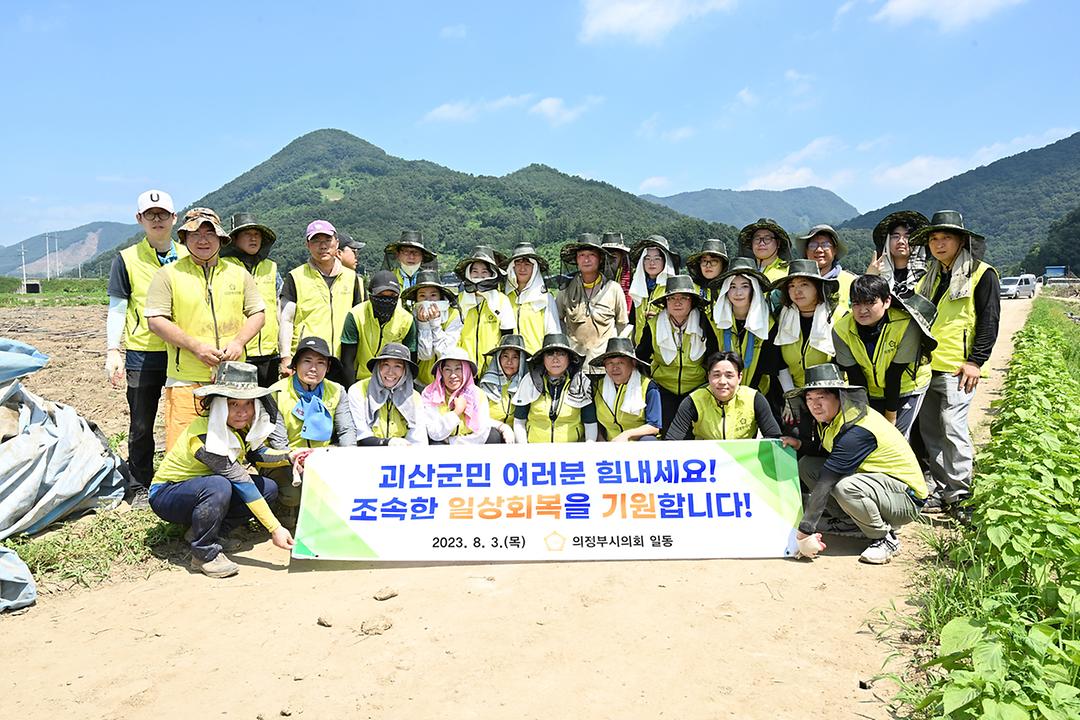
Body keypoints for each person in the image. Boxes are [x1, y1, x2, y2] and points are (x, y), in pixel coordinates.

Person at [149, 361, 294, 579]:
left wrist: (290, 456)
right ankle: (204, 553)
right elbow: (241, 481)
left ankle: (213, 532)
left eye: (247, 404)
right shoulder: (204, 436)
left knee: (268, 488)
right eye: (233, 404)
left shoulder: (241, 428)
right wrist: (275, 528)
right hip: (167, 494)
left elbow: (260, 453)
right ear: (218, 405)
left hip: (206, 489)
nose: (242, 412)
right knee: (220, 485)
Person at [145, 208, 266, 451]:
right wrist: (196, 347)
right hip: (186, 378)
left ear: (221, 239)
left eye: (209, 233)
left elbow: (258, 313)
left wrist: (239, 342)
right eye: (194, 234)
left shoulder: (238, 274)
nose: (203, 240)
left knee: (234, 447)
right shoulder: (169, 274)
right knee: (185, 447)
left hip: (233, 378)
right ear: (184, 239)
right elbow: (155, 320)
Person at [786, 363, 927, 565]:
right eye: (809, 398)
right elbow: (827, 452)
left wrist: (804, 532)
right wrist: (799, 444)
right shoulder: (836, 419)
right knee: (808, 465)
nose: (814, 404)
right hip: (878, 486)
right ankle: (850, 522)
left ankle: (885, 538)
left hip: (907, 499)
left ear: (839, 396)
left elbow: (827, 479)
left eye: (821, 397)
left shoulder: (857, 430)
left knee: (845, 487)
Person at [912, 211, 1000, 519]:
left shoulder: (981, 273)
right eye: (933, 239)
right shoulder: (929, 277)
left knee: (953, 427)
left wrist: (975, 361)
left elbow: (989, 321)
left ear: (961, 240)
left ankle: (962, 493)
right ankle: (945, 489)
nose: (938, 244)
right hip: (926, 367)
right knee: (930, 432)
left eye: (945, 237)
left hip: (958, 368)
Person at [105, 189, 184, 502]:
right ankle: (138, 484)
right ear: (139, 219)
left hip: (182, 352)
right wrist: (113, 350)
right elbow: (117, 307)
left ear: (174, 218)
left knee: (184, 419)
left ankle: (180, 480)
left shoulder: (188, 255)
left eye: (163, 213)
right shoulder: (126, 259)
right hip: (143, 353)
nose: (157, 219)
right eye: (150, 214)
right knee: (141, 423)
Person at [832, 275, 937, 438]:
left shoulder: (906, 324)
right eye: (857, 303)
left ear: (887, 301)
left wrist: (890, 417)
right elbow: (855, 376)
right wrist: (865, 417)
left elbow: (895, 373)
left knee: (896, 437)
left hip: (906, 386)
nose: (862, 310)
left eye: (870, 302)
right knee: (869, 434)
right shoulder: (841, 330)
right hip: (870, 389)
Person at [263, 337, 356, 516]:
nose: (313, 368)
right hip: (286, 459)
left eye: (321, 363)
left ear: (328, 368)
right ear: (296, 364)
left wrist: (348, 459)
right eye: (307, 361)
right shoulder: (275, 392)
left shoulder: (338, 390)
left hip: (322, 456)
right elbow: (278, 441)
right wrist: (296, 460)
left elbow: (346, 430)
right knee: (294, 494)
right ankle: (285, 510)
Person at [278, 220, 364, 378]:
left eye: (327, 240)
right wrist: (286, 357)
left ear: (336, 243)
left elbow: (360, 319)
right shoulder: (296, 277)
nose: (322, 246)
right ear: (307, 245)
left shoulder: (352, 278)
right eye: (316, 241)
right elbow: (286, 320)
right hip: (308, 360)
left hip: (343, 359)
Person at [635, 274, 718, 428]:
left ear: (691, 301)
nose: (677, 302)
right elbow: (641, 357)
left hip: (697, 387)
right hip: (663, 387)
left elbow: (713, 356)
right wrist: (650, 384)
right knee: (666, 432)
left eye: (683, 298)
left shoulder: (704, 324)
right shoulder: (653, 325)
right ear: (665, 302)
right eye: (671, 298)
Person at [665, 351, 790, 442]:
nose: (722, 381)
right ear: (708, 376)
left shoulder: (754, 398)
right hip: (706, 466)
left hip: (744, 464)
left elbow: (774, 438)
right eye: (716, 375)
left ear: (739, 377)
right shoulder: (694, 400)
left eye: (729, 375)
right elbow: (672, 440)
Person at [220, 212, 280, 387]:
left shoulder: (271, 267)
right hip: (238, 351)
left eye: (257, 235)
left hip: (270, 352)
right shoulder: (224, 267)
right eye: (247, 234)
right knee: (240, 408)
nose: (253, 239)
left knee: (269, 407)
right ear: (234, 239)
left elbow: (279, 305)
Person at [556, 233, 630, 366]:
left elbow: (622, 324)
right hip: (575, 364)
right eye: (582, 255)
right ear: (576, 260)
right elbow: (558, 319)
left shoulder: (614, 289)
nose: (586, 259)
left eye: (591, 255)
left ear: (600, 259)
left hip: (605, 364)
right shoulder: (565, 291)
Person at [512, 333, 598, 443]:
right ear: (543, 359)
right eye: (550, 354)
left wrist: (588, 450)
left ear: (569, 358)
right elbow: (519, 421)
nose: (555, 359)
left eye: (561, 354)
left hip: (571, 453)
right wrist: (524, 450)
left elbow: (590, 423)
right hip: (534, 452)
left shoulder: (581, 382)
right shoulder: (529, 381)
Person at [711, 257, 778, 396]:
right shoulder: (714, 321)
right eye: (732, 287)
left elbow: (771, 365)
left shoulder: (769, 323)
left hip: (759, 394)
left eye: (745, 286)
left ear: (754, 289)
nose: (738, 293)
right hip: (721, 391)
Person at [422, 346, 514, 445]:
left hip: (470, 446)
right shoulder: (430, 394)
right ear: (441, 372)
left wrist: (454, 443)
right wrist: (456, 412)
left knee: (493, 436)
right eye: (447, 369)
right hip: (443, 446)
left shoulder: (478, 394)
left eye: (458, 369)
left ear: (466, 371)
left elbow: (482, 432)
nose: (453, 375)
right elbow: (434, 432)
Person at [340, 270, 416, 386]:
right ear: (371, 295)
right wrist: (351, 390)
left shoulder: (407, 320)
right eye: (381, 296)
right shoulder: (356, 316)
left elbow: (411, 359)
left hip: (393, 381)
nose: (386, 300)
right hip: (361, 380)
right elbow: (347, 360)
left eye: (392, 296)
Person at [771, 259, 838, 391]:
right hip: (791, 390)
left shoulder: (837, 318)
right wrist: (790, 397)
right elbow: (778, 361)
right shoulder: (781, 317)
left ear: (818, 287)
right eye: (791, 286)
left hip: (830, 391)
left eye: (804, 284)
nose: (797, 291)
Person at [347, 343, 428, 446]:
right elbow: (361, 434)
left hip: (402, 455)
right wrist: (388, 442)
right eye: (385, 365)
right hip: (366, 453)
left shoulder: (414, 397)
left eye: (397, 366)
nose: (390, 372)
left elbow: (418, 440)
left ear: (405, 370)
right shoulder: (357, 390)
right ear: (378, 367)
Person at [456, 246, 516, 373]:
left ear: (491, 274)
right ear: (468, 273)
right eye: (475, 271)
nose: (479, 276)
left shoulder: (501, 300)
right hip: (462, 366)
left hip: (493, 368)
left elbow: (507, 335)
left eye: (484, 272)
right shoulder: (459, 300)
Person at [589, 337, 661, 441]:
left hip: (638, 443)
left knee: (648, 441)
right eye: (610, 363)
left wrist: (627, 434)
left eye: (620, 363)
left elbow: (654, 426)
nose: (615, 368)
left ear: (633, 363)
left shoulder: (648, 387)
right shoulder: (597, 387)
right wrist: (600, 440)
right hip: (609, 443)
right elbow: (595, 422)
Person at [403, 270, 464, 386]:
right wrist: (423, 325)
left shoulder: (453, 315)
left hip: (450, 381)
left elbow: (445, 351)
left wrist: (435, 324)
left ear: (440, 296)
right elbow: (425, 355)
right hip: (420, 380)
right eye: (422, 296)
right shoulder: (411, 318)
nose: (428, 300)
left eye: (433, 295)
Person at [503, 243, 561, 354]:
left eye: (527, 264)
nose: (522, 268)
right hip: (509, 361)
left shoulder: (545, 299)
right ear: (512, 267)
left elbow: (553, 333)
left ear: (534, 268)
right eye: (518, 263)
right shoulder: (504, 298)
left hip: (535, 360)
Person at [795, 224, 857, 320]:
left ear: (835, 250)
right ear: (806, 251)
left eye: (825, 245)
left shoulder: (852, 281)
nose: (819, 250)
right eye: (812, 245)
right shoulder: (793, 282)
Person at [628, 234, 677, 345]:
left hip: (665, 347)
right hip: (640, 349)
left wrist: (661, 318)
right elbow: (633, 322)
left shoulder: (672, 288)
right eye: (647, 258)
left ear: (665, 261)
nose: (652, 263)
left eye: (657, 259)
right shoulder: (638, 288)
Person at [867, 211, 928, 298]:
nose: (901, 241)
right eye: (895, 236)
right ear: (887, 241)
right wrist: (869, 277)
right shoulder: (878, 274)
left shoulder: (927, 276)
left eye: (907, 237)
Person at [479, 334, 530, 426]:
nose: (509, 362)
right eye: (505, 356)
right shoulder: (486, 384)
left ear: (522, 361)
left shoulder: (528, 385)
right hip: (490, 433)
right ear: (498, 358)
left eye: (515, 357)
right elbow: (479, 417)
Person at [686, 238, 730, 318]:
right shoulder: (690, 288)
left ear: (723, 265)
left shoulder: (730, 288)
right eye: (704, 261)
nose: (708, 265)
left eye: (713, 261)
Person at [737, 218, 791, 283]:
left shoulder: (788, 272)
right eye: (757, 238)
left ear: (778, 243)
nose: (761, 243)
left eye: (767, 238)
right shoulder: (741, 271)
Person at [601, 232, 633, 314]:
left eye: (614, 255)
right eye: (608, 255)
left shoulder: (632, 275)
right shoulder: (596, 273)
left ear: (621, 256)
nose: (611, 259)